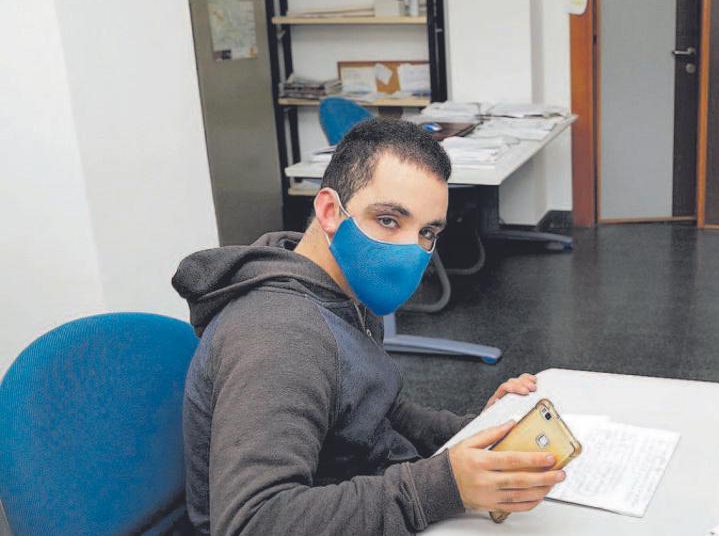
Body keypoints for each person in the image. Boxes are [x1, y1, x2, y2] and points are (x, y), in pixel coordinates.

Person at [174, 119, 563, 534]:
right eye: (390, 220)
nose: (410, 250)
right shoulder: (279, 336)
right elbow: (252, 522)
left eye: (427, 231)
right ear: (328, 211)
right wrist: (441, 486)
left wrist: (480, 431)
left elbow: (377, 410)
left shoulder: (338, 291)